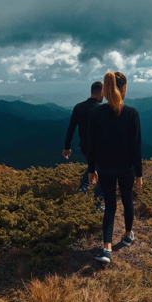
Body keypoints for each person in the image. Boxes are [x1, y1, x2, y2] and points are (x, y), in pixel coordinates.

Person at [87, 71, 143, 264]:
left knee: (110, 206)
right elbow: (136, 146)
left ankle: (106, 248)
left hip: (105, 167)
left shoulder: (96, 113)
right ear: (123, 88)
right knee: (127, 200)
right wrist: (139, 174)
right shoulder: (131, 114)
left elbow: (91, 144)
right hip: (126, 167)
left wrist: (91, 169)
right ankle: (128, 235)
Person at [63, 81, 104, 210]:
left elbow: (71, 128)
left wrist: (67, 146)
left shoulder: (78, 107)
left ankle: (82, 188)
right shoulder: (102, 109)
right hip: (99, 147)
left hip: (85, 147)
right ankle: (97, 204)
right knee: (102, 171)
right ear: (100, 92)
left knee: (93, 166)